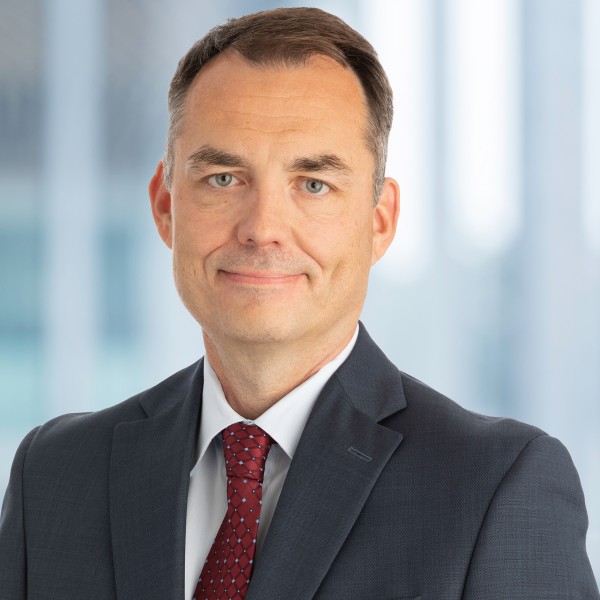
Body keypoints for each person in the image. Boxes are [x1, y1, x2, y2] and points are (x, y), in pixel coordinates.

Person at [0, 7, 598, 599]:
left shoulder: (496, 488)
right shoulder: (53, 476)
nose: (262, 229)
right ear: (165, 205)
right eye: (223, 178)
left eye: (314, 184)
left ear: (380, 221)